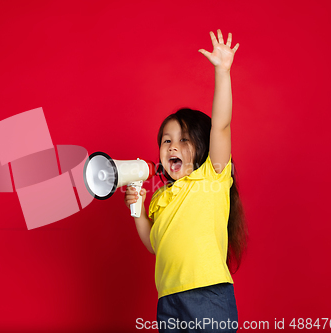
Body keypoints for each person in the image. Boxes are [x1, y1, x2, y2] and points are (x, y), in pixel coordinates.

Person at [125, 30, 248, 333]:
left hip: (206, 294)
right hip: (168, 299)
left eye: (183, 139)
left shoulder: (212, 175)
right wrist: (138, 209)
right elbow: (156, 244)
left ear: (202, 146)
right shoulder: (160, 198)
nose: (172, 147)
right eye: (166, 141)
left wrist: (222, 71)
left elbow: (221, 125)